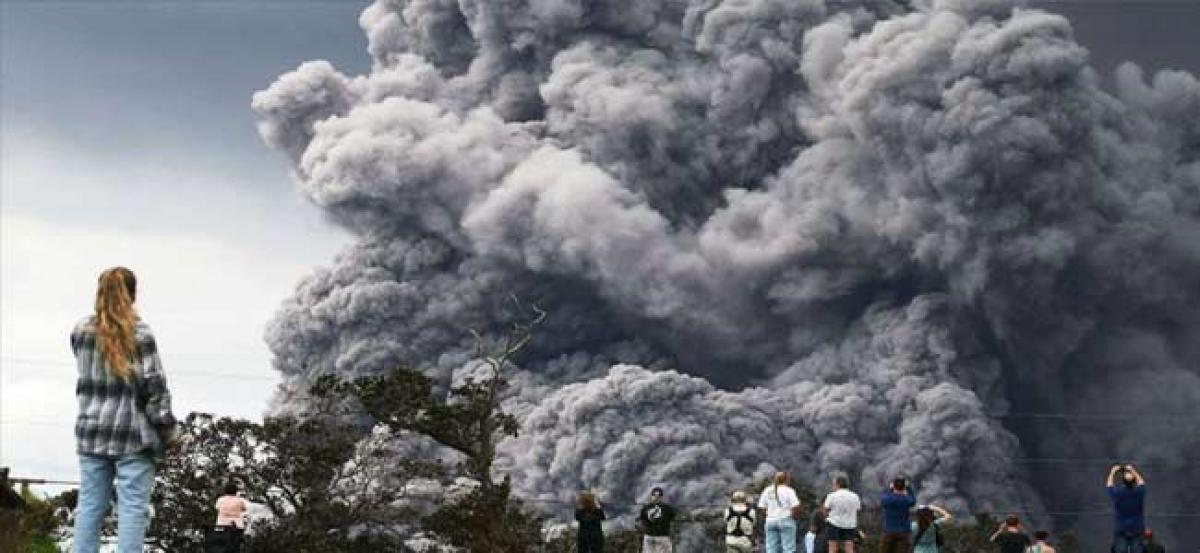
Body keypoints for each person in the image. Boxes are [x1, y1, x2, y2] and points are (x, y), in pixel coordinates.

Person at [72, 267, 177, 553]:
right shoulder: (140, 334)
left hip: (90, 431)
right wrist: (170, 432)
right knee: (132, 509)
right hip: (132, 435)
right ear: (132, 294)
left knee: (90, 506)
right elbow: (154, 388)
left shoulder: (80, 331)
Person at [758, 471, 802, 553]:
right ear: (786, 480)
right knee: (788, 549)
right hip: (786, 520)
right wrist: (793, 517)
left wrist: (769, 516)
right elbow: (796, 507)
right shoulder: (789, 490)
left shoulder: (767, 490)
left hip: (770, 521)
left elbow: (761, 507)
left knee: (771, 548)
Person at [1108, 464, 1147, 553]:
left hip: (1121, 529)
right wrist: (1132, 470)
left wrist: (1113, 471)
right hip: (1137, 529)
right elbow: (1141, 482)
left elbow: (1109, 486)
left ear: (1123, 482)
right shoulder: (1139, 492)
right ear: (1134, 482)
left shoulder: (1118, 493)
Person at [823, 475, 861, 553]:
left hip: (834, 523)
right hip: (850, 524)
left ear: (838, 484)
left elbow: (825, 509)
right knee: (849, 547)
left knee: (833, 548)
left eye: (833, 484)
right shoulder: (855, 496)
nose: (833, 486)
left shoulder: (832, 495)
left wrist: (827, 518)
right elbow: (857, 509)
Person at [879, 477, 916, 553]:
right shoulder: (906, 500)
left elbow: (883, 496)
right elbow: (913, 499)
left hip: (889, 530)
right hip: (903, 532)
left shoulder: (887, 500)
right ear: (904, 488)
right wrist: (908, 487)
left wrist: (890, 489)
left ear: (894, 486)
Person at [639, 486, 677, 553]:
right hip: (662, 537)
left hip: (649, 537)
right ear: (661, 497)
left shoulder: (645, 508)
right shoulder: (668, 508)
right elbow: (674, 517)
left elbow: (642, 520)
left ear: (651, 496)